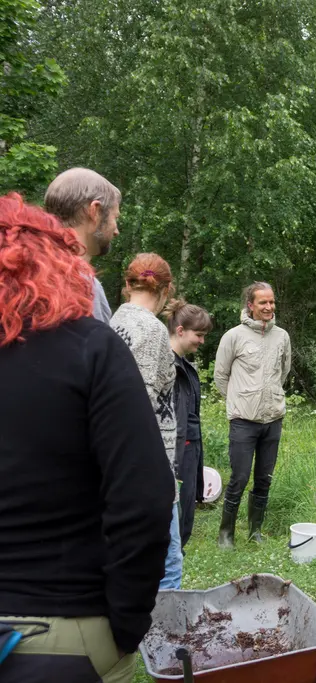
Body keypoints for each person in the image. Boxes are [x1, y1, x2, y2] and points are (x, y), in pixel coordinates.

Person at [0, 194, 173, 682]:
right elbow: (144, 500)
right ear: (56, 265)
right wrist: (126, 625)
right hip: (61, 629)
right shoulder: (90, 350)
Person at [109, 254, 181, 590]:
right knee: (168, 564)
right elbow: (139, 405)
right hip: (148, 466)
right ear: (167, 289)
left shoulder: (116, 320)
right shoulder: (151, 330)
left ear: (127, 285)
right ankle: (161, 639)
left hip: (120, 465)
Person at [214, 282, 291, 548]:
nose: (269, 307)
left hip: (273, 419)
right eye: (263, 303)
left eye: (271, 302)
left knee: (264, 479)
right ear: (250, 305)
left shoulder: (282, 336)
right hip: (243, 421)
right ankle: (226, 533)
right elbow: (221, 376)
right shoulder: (233, 336)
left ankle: (255, 531)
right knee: (239, 477)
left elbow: (284, 371)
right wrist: (239, 401)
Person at [43, 168, 121, 323]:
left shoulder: (27, 275)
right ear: (95, 212)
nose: (116, 231)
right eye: (115, 217)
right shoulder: (85, 288)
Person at [166, 300, 213, 550]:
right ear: (181, 330)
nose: (202, 341)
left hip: (191, 448)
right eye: (199, 335)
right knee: (177, 516)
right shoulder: (167, 366)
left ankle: (176, 559)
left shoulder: (186, 366)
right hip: (176, 450)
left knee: (186, 514)